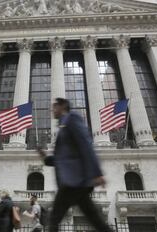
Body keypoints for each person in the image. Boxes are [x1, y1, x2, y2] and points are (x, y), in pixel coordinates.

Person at [37, 98, 114, 232]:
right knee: (95, 219)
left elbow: (85, 144)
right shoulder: (62, 126)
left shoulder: (72, 119)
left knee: (54, 218)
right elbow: (62, 158)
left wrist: (97, 173)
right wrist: (45, 158)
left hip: (75, 179)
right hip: (74, 182)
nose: (52, 110)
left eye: (55, 107)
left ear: (63, 106)